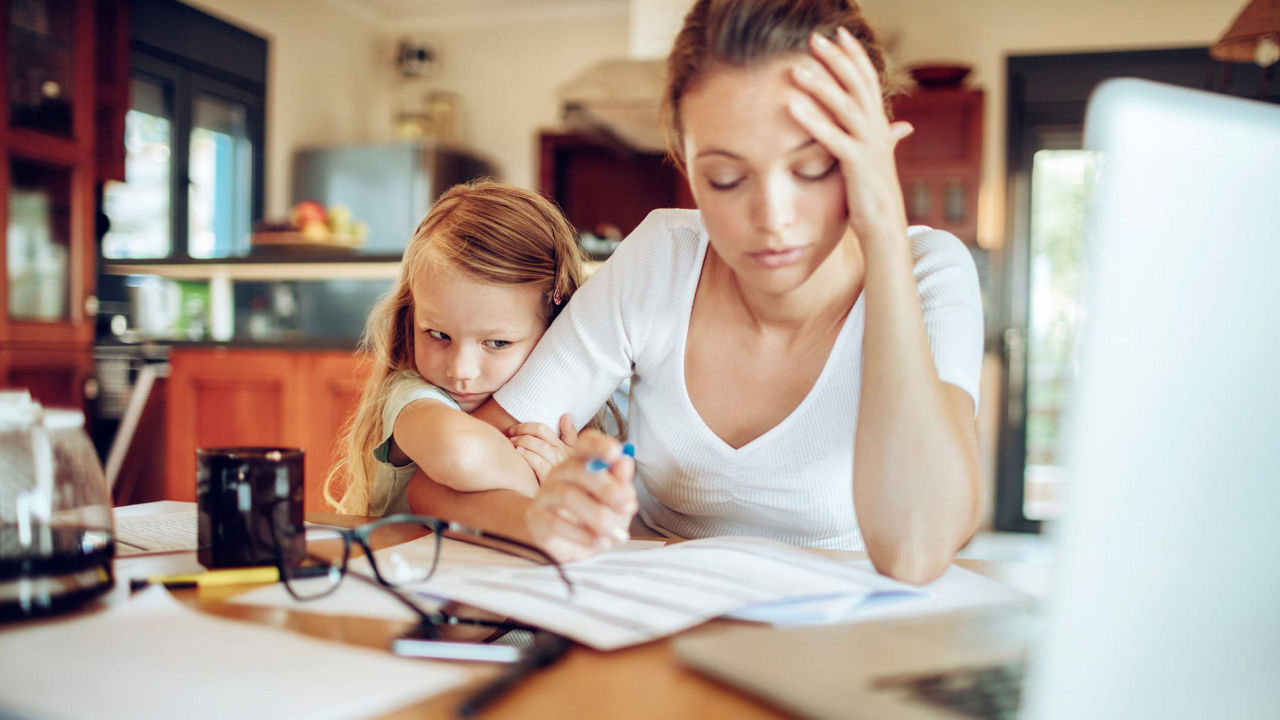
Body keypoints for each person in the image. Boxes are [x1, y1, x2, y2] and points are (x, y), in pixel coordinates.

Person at [407, 0, 984, 584]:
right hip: (653, 625)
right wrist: (543, 518)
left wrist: (882, 227)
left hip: (838, 640)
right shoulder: (661, 259)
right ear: (686, 161)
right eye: (726, 178)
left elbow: (916, 550)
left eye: (813, 167)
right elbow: (435, 485)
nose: (772, 218)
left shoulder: (928, 273)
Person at [323, 180, 586, 516]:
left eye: (497, 343)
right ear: (411, 315)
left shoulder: (566, 406)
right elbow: (457, 452)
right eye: (438, 335)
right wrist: (557, 486)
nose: (460, 370)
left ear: (554, 327)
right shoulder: (413, 397)